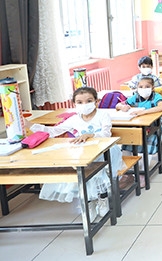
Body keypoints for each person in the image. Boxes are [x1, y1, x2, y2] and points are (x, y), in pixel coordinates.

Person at [28, 87, 124, 219]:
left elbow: (106, 134)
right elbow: (54, 131)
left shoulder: (103, 115)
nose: (84, 105)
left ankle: (103, 198)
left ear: (96, 101)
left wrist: (90, 135)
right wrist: (30, 125)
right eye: (80, 102)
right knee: (82, 170)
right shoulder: (74, 119)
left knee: (98, 171)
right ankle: (89, 202)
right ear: (74, 104)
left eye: (89, 101)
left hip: (105, 150)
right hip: (84, 152)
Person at [117, 76, 162, 153]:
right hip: (138, 124)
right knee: (129, 134)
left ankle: (146, 156)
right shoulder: (135, 97)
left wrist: (143, 112)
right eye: (140, 87)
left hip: (154, 125)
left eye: (147, 87)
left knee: (149, 138)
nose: (144, 89)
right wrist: (122, 107)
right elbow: (118, 105)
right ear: (137, 88)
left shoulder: (156, 96)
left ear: (152, 88)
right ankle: (131, 155)